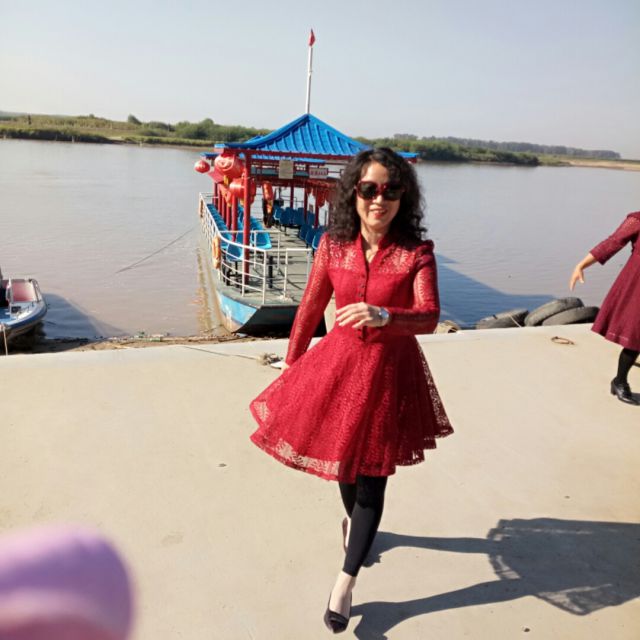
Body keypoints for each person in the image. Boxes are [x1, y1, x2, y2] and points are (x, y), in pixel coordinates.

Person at [249, 148, 453, 633]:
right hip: (338, 368)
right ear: (354, 193)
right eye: (369, 189)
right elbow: (310, 306)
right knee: (345, 464)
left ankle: (345, 580)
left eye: (391, 190)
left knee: (372, 478)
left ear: (404, 197)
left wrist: (385, 315)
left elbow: (428, 316)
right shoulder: (333, 246)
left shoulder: (416, 252)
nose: (379, 199)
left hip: (389, 373)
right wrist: (293, 364)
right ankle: (355, 528)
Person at [570, 210, 640, 405]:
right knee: (635, 337)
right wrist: (581, 265)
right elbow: (612, 243)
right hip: (637, 286)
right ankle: (620, 381)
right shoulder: (637, 220)